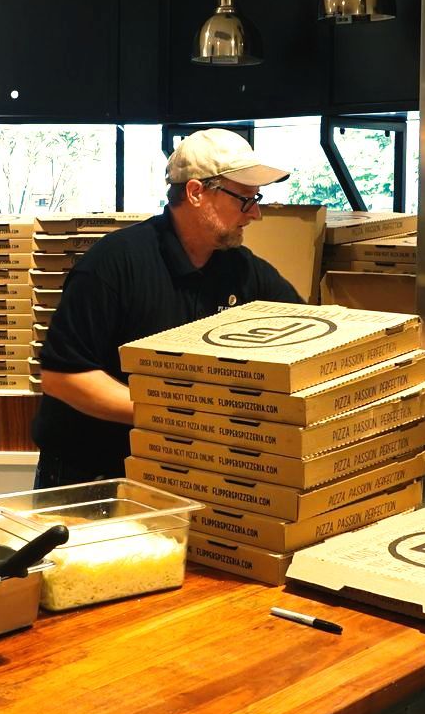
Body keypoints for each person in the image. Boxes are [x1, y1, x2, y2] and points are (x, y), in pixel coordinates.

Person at [32, 129, 299, 488]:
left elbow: (309, 328)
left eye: (257, 199)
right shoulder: (113, 264)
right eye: (244, 200)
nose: (256, 214)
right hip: (90, 475)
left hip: (184, 471)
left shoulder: (242, 270)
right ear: (196, 193)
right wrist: (177, 415)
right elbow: (62, 377)